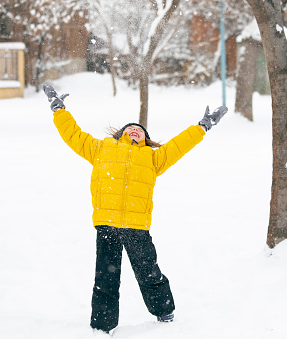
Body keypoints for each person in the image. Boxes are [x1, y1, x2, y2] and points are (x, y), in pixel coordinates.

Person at [42, 84, 227, 335]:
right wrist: (60, 110)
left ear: (146, 138)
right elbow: (73, 135)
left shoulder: (152, 158)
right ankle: (102, 325)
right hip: (107, 223)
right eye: (130, 128)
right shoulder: (101, 149)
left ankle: (164, 311)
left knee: (149, 272)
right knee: (105, 278)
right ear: (119, 134)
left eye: (139, 130)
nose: (135, 130)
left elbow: (178, 146)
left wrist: (202, 126)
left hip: (136, 226)